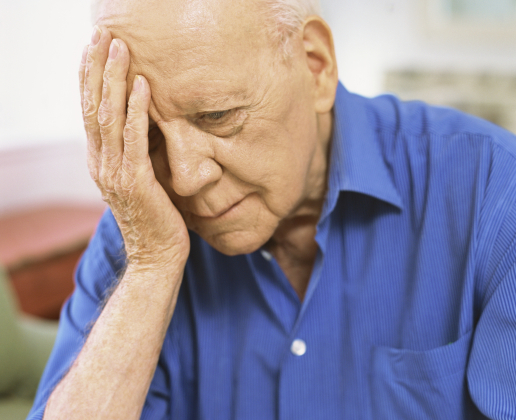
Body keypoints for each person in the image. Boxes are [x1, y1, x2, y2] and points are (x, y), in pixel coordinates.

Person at [28, 0, 516, 418]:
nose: (184, 177)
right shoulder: (140, 230)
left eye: (216, 115)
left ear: (316, 66)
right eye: (149, 134)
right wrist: (152, 267)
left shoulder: (494, 191)